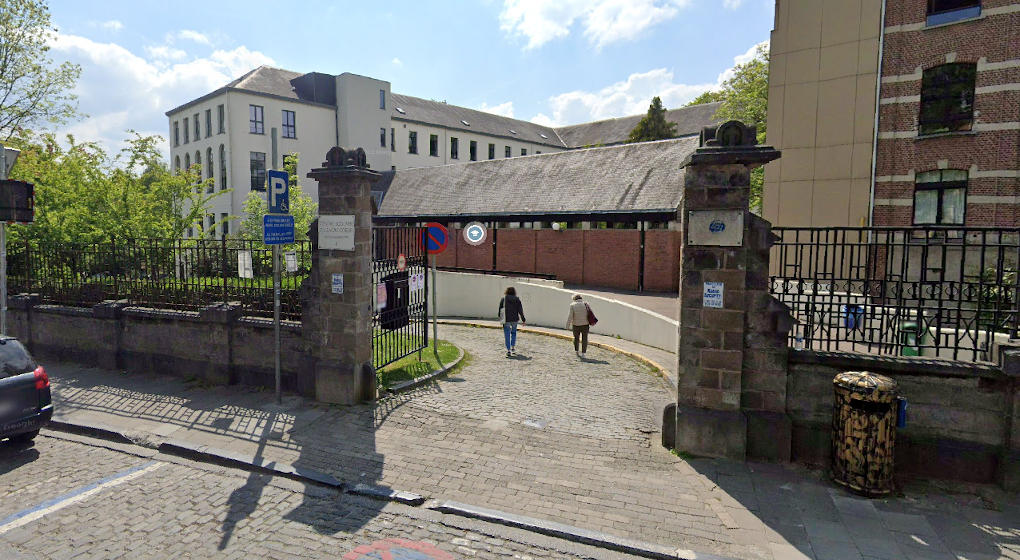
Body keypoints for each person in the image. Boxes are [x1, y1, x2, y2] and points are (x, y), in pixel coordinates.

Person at [498, 287, 526, 358]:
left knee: (507, 334)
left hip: (506, 319)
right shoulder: (517, 299)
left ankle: (508, 350)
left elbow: (500, 309)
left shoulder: (504, 299)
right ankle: (513, 347)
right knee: (513, 333)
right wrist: (523, 319)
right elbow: (520, 310)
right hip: (514, 319)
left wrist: (500, 317)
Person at [565, 293, 591, 358]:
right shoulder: (586, 304)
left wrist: (567, 325)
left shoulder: (572, 305)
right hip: (585, 324)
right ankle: (583, 353)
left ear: (574, 299)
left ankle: (577, 351)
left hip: (576, 325)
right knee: (584, 339)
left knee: (576, 338)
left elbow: (570, 316)